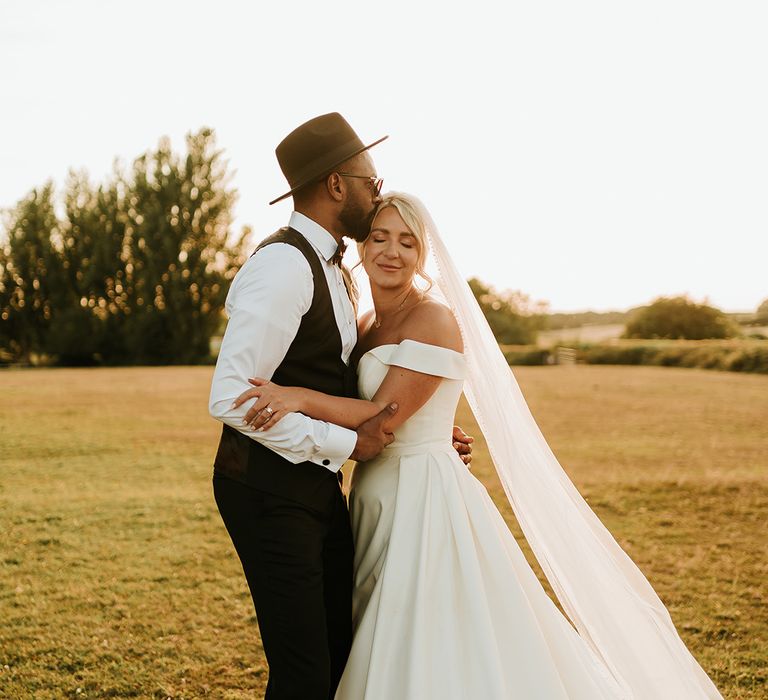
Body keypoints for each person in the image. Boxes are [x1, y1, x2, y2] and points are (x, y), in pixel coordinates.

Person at [234, 192, 725, 699]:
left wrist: (295, 398)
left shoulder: (435, 319)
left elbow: (380, 413)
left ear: (423, 255)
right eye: (379, 237)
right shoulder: (365, 325)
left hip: (425, 494)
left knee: (427, 624)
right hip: (374, 491)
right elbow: (387, 405)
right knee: (379, 622)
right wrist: (424, 421)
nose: (391, 251)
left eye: (407, 242)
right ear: (362, 245)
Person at [208, 113, 472, 700]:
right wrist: (350, 443)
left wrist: (419, 420)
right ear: (336, 185)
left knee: (339, 655)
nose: (376, 194)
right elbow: (230, 395)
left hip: (319, 490)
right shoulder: (282, 264)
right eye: (371, 183)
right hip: (269, 492)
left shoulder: (338, 272)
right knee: (305, 671)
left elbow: (339, 377)